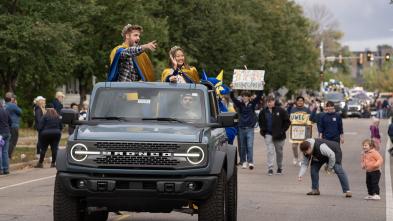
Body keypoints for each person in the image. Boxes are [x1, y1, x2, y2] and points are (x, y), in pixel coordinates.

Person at [230, 90, 263, 170]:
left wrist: (261, 87)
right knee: (242, 146)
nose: (244, 97)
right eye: (243, 96)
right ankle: (243, 161)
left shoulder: (252, 104)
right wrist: (232, 90)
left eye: (246, 96)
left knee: (250, 145)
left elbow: (259, 97)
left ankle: (250, 162)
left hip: (250, 129)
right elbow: (233, 98)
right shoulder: (240, 104)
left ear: (249, 97)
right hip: (241, 128)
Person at [258, 96, 291, 175]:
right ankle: (270, 168)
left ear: (274, 102)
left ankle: (279, 168)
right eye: (268, 102)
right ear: (266, 103)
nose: (269, 103)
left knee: (279, 152)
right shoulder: (263, 112)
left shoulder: (281, 110)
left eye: (271, 101)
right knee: (270, 151)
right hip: (268, 134)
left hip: (279, 135)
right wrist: (263, 131)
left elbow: (287, 122)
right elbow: (260, 122)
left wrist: (282, 131)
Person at [289, 96, 316, 166]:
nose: (300, 102)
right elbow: (290, 118)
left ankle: (301, 160)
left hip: (304, 131)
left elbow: (311, 118)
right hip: (295, 131)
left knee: (303, 146)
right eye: (298, 101)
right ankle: (295, 157)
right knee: (294, 146)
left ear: (303, 102)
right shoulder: (293, 109)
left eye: (301, 101)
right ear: (296, 102)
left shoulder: (307, 110)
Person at [4, 92, 22, 159]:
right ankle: (8, 155)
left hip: (7, 125)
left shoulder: (4, 105)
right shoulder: (12, 105)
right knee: (13, 141)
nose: (14, 99)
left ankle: (7, 155)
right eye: (14, 98)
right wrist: (16, 104)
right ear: (11, 98)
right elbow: (20, 112)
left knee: (8, 141)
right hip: (14, 125)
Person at [0, 102, 11, 175]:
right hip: (7, 132)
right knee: (5, 151)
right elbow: (10, 122)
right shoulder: (5, 111)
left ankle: (0, 169)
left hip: (1, 133)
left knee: (0, 151)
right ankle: (6, 169)